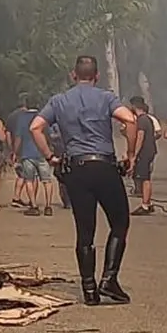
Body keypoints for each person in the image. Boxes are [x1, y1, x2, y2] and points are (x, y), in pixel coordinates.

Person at [31, 56, 138, 306]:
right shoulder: (106, 98)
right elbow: (130, 120)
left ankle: (89, 289)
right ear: (97, 76)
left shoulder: (58, 101)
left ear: (73, 75)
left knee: (85, 230)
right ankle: (109, 279)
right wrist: (130, 155)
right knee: (120, 222)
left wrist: (50, 157)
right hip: (104, 166)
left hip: (76, 170)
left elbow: (36, 127)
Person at [11, 97, 56, 216]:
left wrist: (15, 152)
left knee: (29, 180)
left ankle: (34, 206)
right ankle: (48, 206)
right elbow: (49, 135)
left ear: (26, 105)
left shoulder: (21, 118)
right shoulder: (42, 117)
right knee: (47, 180)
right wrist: (49, 150)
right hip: (42, 153)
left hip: (26, 153)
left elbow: (18, 137)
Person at [127, 96, 158, 215]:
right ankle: (148, 203)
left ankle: (145, 205)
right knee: (145, 177)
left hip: (144, 153)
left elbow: (140, 137)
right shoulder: (148, 119)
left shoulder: (141, 120)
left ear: (135, 106)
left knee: (145, 178)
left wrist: (134, 155)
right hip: (150, 152)